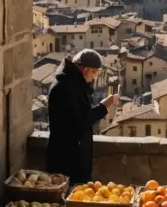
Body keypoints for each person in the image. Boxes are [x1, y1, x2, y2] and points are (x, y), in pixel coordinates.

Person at [46, 49, 118, 182]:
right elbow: (81, 122)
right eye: (94, 72)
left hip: (71, 154)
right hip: (68, 158)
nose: (95, 76)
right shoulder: (67, 88)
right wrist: (104, 106)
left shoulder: (71, 84)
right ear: (85, 70)